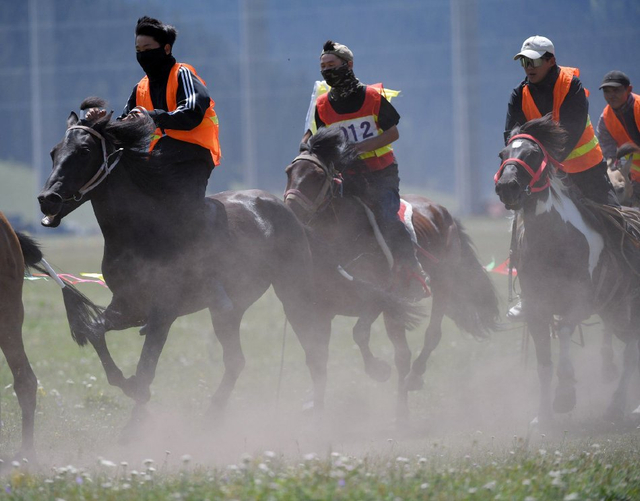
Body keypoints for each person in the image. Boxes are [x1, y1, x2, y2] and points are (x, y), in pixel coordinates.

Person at [87, 16, 230, 310]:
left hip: (193, 155)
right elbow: (126, 125)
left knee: (183, 208)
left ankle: (211, 282)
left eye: (147, 49)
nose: (142, 55)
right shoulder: (140, 87)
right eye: (137, 50)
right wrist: (102, 121)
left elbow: (193, 110)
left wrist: (154, 117)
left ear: (166, 49)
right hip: (159, 159)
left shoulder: (184, 74)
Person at [301, 40, 427, 300]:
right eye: (323, 67)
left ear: (348, 65)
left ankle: (413, 273)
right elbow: (316, 137)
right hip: (345, 176)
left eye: (332, 65)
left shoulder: (372, 97)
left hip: (380, 174)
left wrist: (358, 148)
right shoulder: (322, 105)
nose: (327, 70)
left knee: (386, 217)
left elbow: (393, 133)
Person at [505, 36, 618, 320]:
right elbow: (511, 136)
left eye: (534, 61)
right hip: (545, 177)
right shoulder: (518, 94)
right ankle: (528, 295)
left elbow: (571, 131)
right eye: (524, 61)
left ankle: (625, 280)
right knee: (523, 230)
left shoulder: (572, 87)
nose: (528, 66)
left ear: (550, 61)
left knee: (614, 222)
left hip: (586, 171)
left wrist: (547, 164)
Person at [596, 70, 640, 203]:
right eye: (607, 91)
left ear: (629, 89)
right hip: (635, 180)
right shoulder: (605, 119)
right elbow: (610, 155)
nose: (611, 95)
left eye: (616, 90)